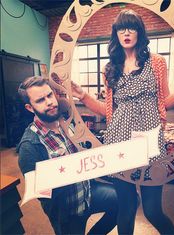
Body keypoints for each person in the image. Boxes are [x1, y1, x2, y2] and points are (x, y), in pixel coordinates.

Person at [72, 9, 174, 235]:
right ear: (116, 34)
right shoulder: (110, 68)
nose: (126, 33)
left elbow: (165, 102)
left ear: (140, 32)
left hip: (149, 144)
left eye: (132, 28)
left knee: (152, 211)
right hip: (119, 144)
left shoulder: (156, 62)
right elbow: (109, 112)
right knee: (126, 207)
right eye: (121, 28)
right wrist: (83, 96)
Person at [16, 76, 118, 235]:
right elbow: (43, 195)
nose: (49, 102)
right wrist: (64, 171)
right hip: (68, 212)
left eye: (49, 95)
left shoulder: (68, 123)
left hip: (89, 193)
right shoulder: (29, 146)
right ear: (30, 108)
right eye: (40, 100)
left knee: (128, 200)